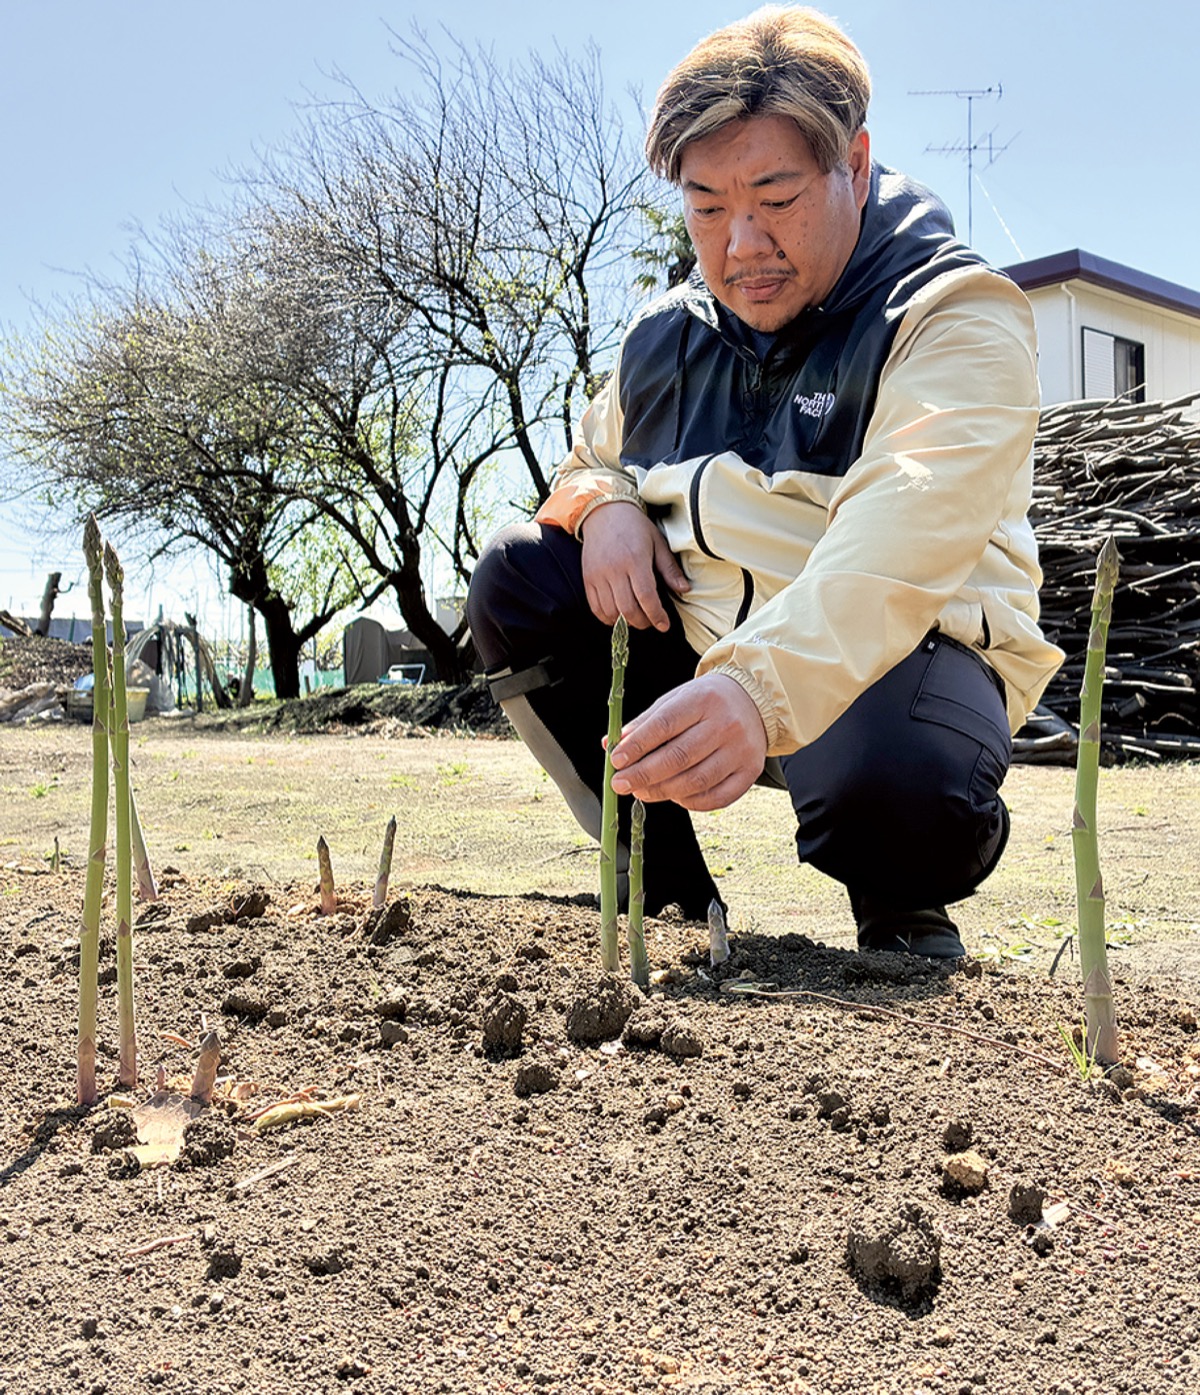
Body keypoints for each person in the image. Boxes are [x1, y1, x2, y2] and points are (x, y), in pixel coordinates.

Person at [466, 4, 1063, 958]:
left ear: (855, 165)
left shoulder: (958, 317)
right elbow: (589, 459)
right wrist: (608, 503)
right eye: (706, 206)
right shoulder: (663, 336)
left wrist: (759, 688)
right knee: (518, 572)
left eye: (776, 198)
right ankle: (661, 894)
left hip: (892, 663)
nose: (740, 244)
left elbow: (900, 534)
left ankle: (900, 906)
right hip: (709, 654)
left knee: (897, 782)